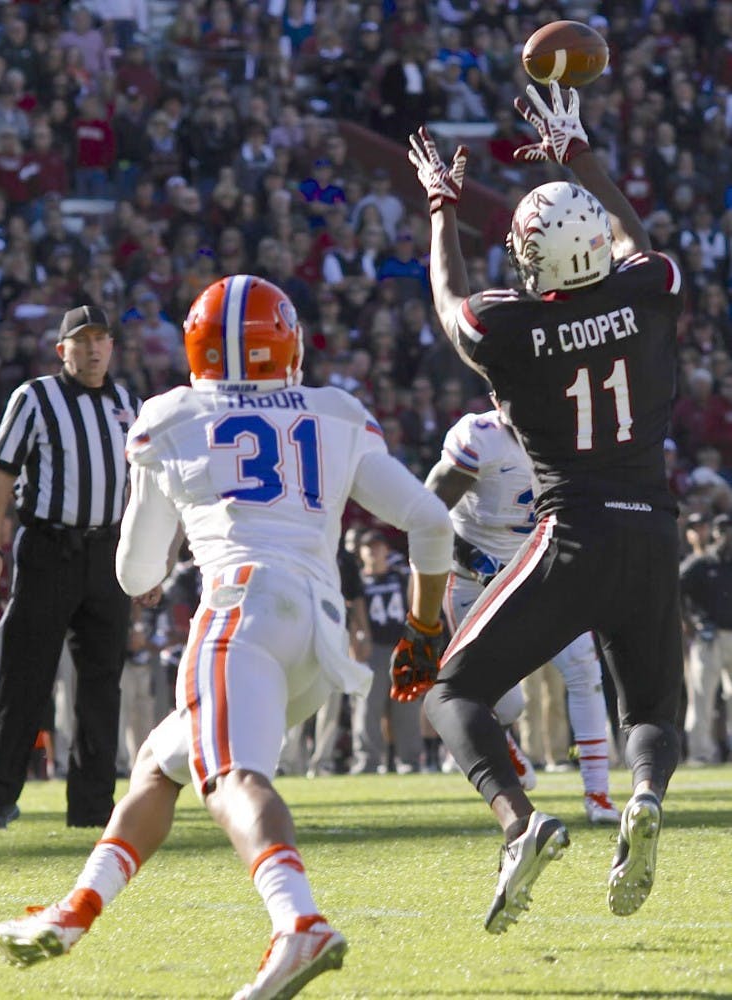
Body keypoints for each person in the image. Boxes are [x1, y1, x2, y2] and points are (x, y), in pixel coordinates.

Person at [0, 275, 453, 1000]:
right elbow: (430, 521)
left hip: (241, 615)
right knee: (158, 763)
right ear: (289, 343)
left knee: (232, 778)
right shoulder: (335, 411)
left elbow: (136, 569)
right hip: (318, 635)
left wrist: (176, 533)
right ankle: (76, 910)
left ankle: (299, 920)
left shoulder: (171, 416)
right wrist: (424, 628)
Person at [407, 81, 685, 933]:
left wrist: (442, 209)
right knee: (651, 710)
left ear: (532, 262)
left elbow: (450, 306)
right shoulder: (648, 292)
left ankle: (519, 822)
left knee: (451, 693)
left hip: (573, 533)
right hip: (653, 532)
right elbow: (640, 244)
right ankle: (643, 795)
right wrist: (580, 158)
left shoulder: (513, 329)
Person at [0, 305, 142, 830]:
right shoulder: (35, 397)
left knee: (102, 682)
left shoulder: (129, 404)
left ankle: (93, 808)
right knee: (24, 672)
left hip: (108, 553)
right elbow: (1, 475)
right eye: (82, 340)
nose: (93, 349)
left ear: (112, 345)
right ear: (62, 349)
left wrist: (148, 562)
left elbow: (144, 487)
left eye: (101, 339)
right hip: (50, 549)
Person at [425, 407, 620, 823]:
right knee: (502, 702)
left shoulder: (570, 436)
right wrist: (472, 557)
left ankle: (598, 794)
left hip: (538, 570)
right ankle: (502, 740)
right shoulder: (480, 436)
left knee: (584, 671)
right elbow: (427, 513)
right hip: (473, 578)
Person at [350, 529, 423, 775]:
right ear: (360, 552)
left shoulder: (400, 577)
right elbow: (352, 613)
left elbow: (414, 604)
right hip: (373, 648)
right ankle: (367, 761)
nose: (373, 551)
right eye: (368, 546)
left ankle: (409, 760)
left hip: (402, 646)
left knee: (407, 706)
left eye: (378, 546)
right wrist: (357, 642)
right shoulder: (357, 582)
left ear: (386, 550)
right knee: (367, 706)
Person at [679, 512, 732, 765]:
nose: (726, 535)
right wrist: (688, 622)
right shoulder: (700, 563)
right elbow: (675, 589)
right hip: (708, 637)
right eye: (721, 530)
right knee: (701, 698)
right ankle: (700, 753)